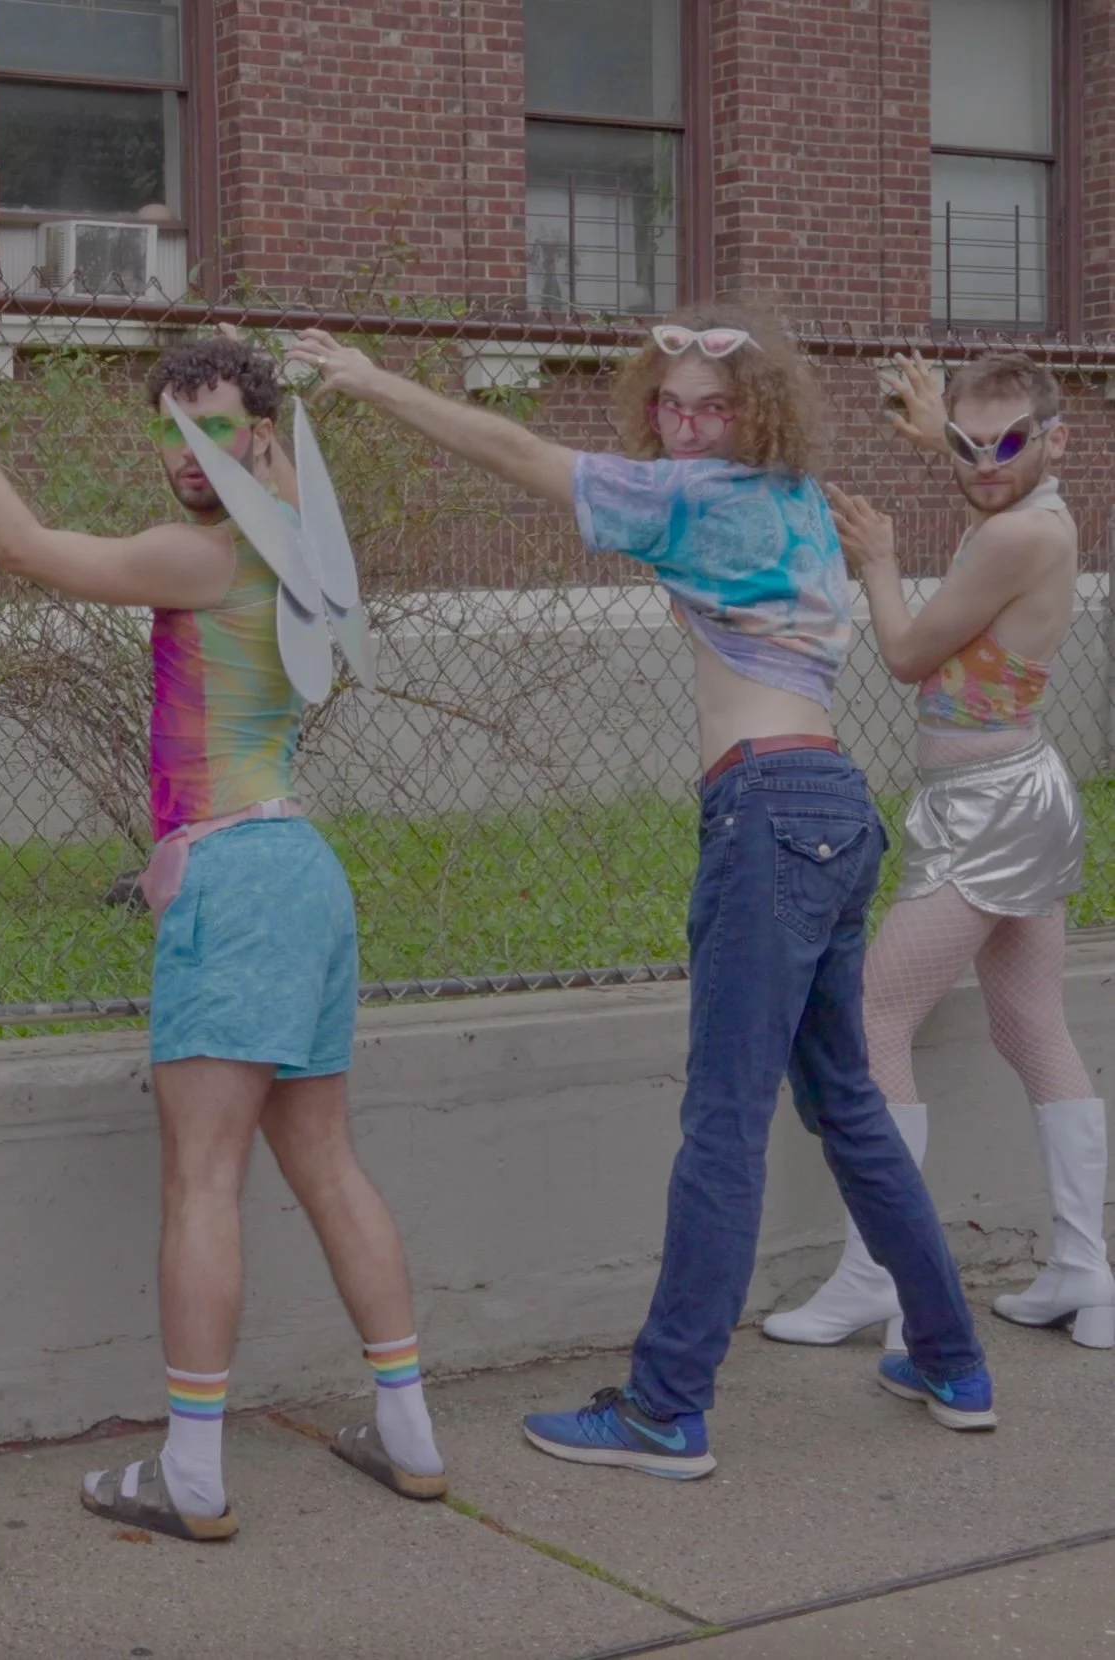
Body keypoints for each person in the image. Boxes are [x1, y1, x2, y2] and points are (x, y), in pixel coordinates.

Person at [286, 302, 994, 1478]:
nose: (684, 424)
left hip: (767, 815)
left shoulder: (697, 497)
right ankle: (953, 1359)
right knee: (848, 1103)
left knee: (724, 1123)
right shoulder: (791, 502)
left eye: (711, 407)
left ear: (754, 413)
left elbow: (517, 453)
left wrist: (369, 381)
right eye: (669, 406)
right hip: (832, 806)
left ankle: (667, 1408)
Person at [0, 329, 448, 1543]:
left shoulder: (200, 557)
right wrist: (276, 419)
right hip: (303, 870)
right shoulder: (296, 543)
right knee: (328, 1164)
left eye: (215, 426)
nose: (188, 450)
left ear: (257, 435)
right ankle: (411, 1433)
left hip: (234, 877)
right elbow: (282, 479)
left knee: (203, 1179)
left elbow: (21, 548)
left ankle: (192, 1472)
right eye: (170, 426)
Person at [765, 353, 1111, 1351]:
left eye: (1009, 443)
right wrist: (937, 439)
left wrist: (876, 560)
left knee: (872, 1015)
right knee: (1031, 1023)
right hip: (1016, 789)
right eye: (968, 444)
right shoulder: (1034, 513)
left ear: (1057, 439)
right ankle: (1086, 1269)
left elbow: (909, 653)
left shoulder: (1015, 534)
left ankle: (878, 1274)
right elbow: (988, 484)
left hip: (990, 807)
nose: (984, 463)